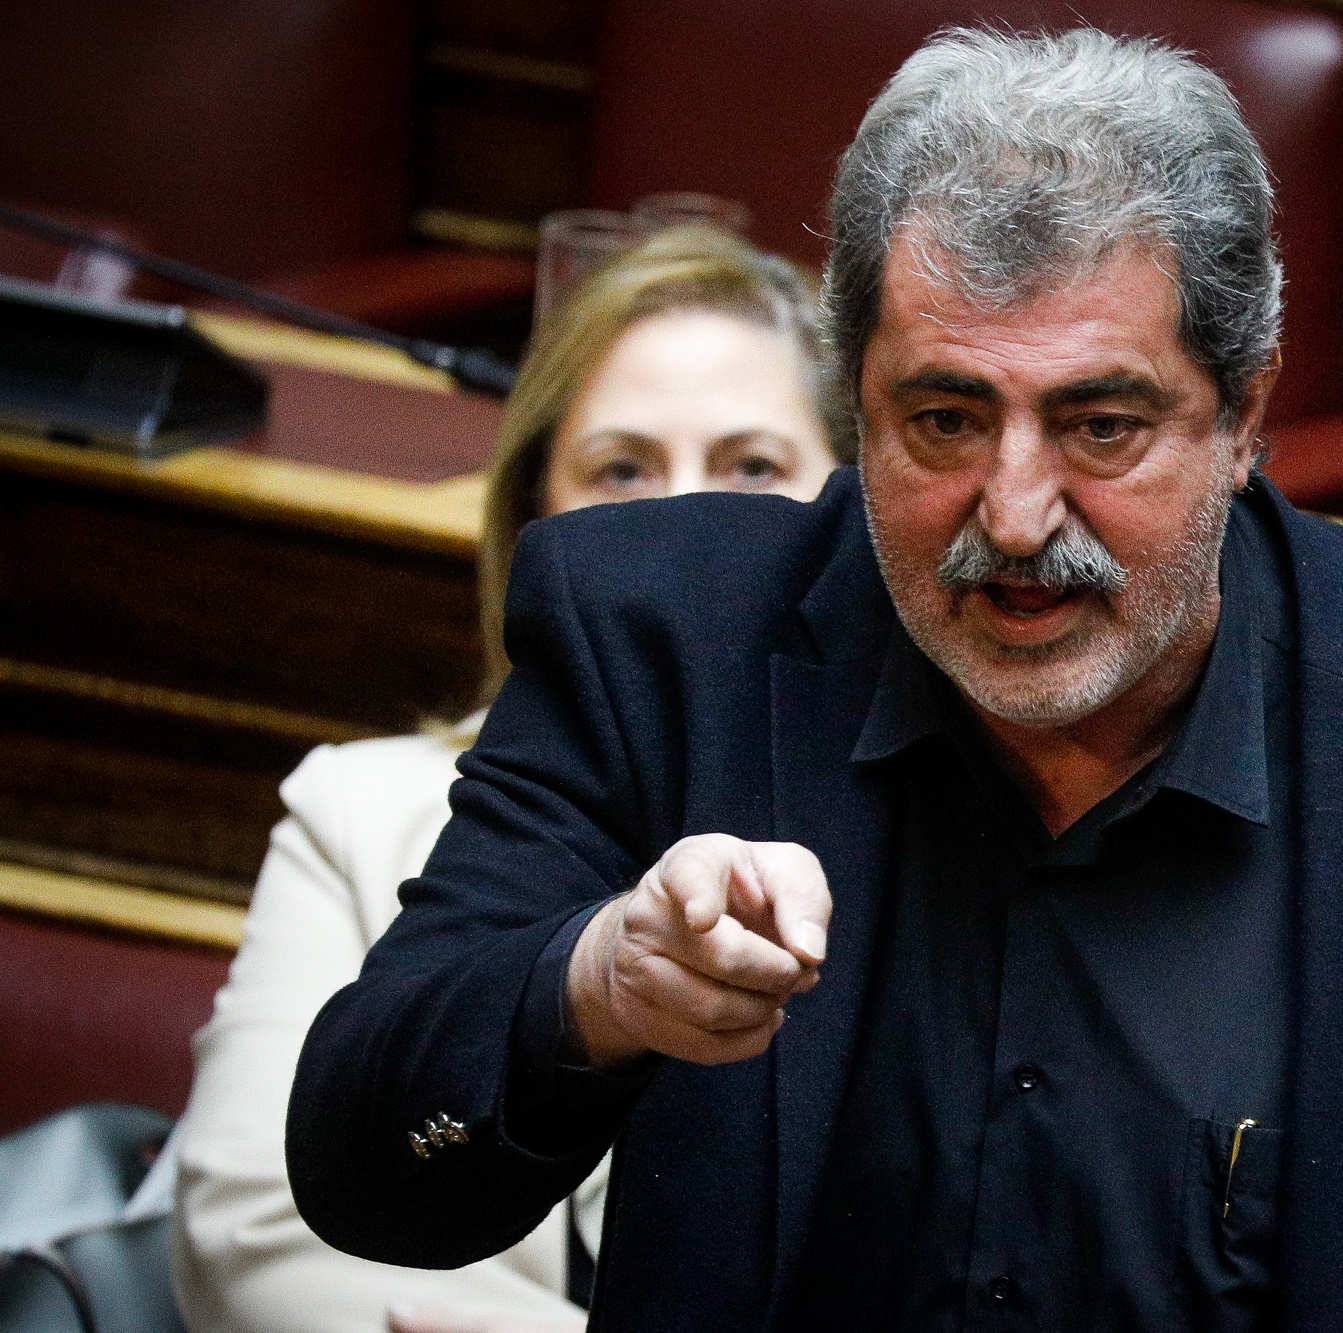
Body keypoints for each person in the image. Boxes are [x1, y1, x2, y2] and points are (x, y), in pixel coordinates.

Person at [287, 29, 1343, 1331]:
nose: (1018, 517)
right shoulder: (662, 638)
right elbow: (368, 1173)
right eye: (945, 421)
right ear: (856, 404)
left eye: (1102, 425)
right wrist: (599, 987)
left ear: (1246, 415)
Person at [171, 224, 849, 1333]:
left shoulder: (899, 828)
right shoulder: (356, 809)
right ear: (534, 513)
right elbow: (249, 1235)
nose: (680, 522)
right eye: (622, 469)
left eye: (751, 469)